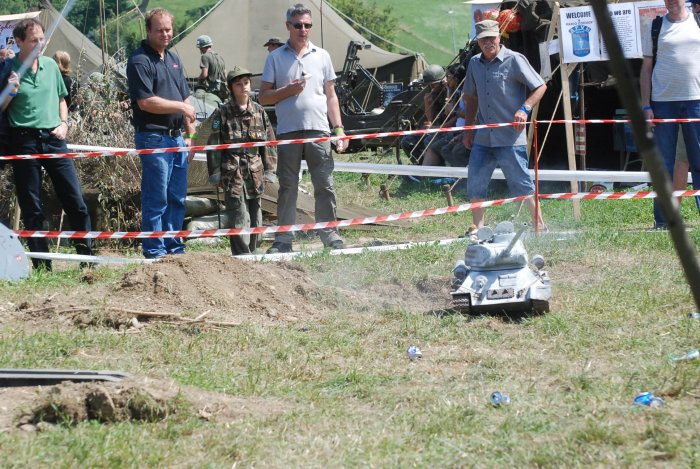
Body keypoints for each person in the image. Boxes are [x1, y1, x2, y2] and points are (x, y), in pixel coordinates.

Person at [1, 18, 93, 271]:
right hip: (23, 140)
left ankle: (88, 260)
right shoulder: (7, 68)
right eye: (34, 40)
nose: (40, 44)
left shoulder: (51, 65)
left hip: (54, 138)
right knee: (32, 207)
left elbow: (62, 99)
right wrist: (10, 91)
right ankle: (43, 266)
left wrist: (64, 124)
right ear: (19, 42)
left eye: (42, 39)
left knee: (75, 200)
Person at [260, 3, 347, 254]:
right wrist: (288, 90)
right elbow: (263, 97)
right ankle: (283, 240)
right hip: (288, 131)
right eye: (298, 25)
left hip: (319, 130)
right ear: (288, 26)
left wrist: (339, 128)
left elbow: (331, 95)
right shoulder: (275, 57)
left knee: (325, 185)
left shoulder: (322, 55)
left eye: (307, 25)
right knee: (287, 187)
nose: (303, 29)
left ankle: (330, 235)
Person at [461, 20, 547, 230]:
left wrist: (525, 109)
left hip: (510, 137)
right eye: (483, 39)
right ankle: (478, 228)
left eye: (492, 37)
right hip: (483, 137)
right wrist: (468, 129)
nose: (488, 42)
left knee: (522, 183)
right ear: (478, 42)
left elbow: (540, 86)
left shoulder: (515, 59)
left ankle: (539, 226)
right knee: (475, 182)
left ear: (499, 37)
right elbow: (471, 98)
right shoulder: (474, 63)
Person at [127, 8, 196, 259]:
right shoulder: (139, 60)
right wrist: (181, 107)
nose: (165, 34)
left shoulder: (174, 58)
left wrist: (191, 136)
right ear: (148, 31)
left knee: (177, 197)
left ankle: (174, 248)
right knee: (157, 198)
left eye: (168, 29)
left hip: (177, 138)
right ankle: (155, 251)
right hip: (153, 137)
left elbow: (185, 96)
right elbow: (145, 102)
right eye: (160, 30)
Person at [640, 0, 700, 229]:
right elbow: (646, 69)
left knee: (699, 162)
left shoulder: (697, 21)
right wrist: (646, 106)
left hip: (696, 101)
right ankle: (663, 221)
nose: (671, 2)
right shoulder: (654, 26)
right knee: (663, 164)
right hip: (662, 103)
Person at [208, 66, 277, 255]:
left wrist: (270, 170)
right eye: (238, 84)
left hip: (255, 172)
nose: (244, 87)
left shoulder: (259, 112)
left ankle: (253, 253)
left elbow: (269, 143)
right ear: (231, 88)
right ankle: (242, 255)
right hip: (233, 173)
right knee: (238, 215)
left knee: (256, 216)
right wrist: (216, 173)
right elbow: (213, 144)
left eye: (246, 83)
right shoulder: (222, 113)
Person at [400, 64, 449, 166]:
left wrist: (448, 90)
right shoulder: (433, 93)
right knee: (407, 141)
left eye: (434, 84)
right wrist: (427, 103)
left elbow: (452, 117)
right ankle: (421, 166)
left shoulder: (450, 92)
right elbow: (430, 119)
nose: (432, 87)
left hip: (446, 129)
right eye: (430, 85)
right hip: (436, 128)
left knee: (429, 140)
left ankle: (436, 167)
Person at [196, 35, 227, 100]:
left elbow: (204, 74)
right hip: (223, 90)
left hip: (212, 90)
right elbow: (225, 74)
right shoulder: (219, 56)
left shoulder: (205, 56)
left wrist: (198, 82)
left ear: (201, 47)